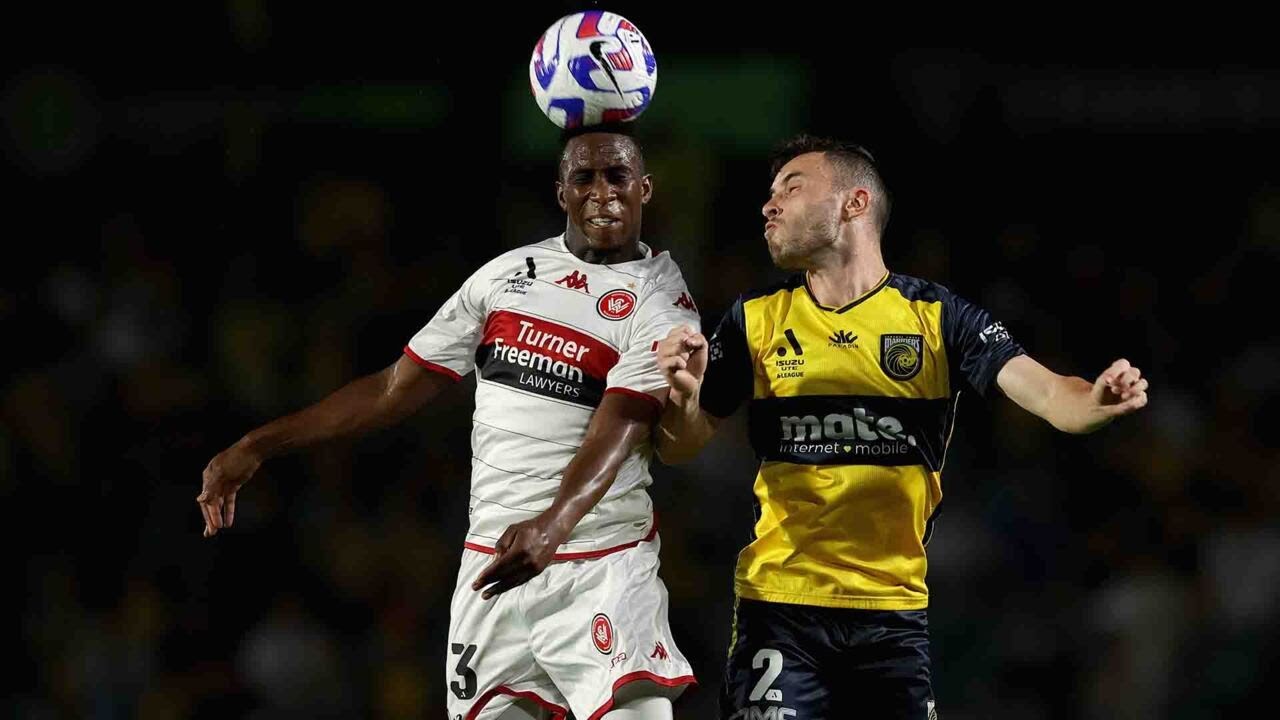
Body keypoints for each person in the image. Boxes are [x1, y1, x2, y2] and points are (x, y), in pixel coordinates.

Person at [198, 126, 699, 720]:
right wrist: (258, 444)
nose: (602, 192)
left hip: (602, 565)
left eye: (617, 177)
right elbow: (392, 388)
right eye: (584, 177)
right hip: (495, 566)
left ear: (644, 189)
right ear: (561, 191)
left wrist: (552, 525)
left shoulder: (661, 301)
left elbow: (619, 426)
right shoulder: (505, 277)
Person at [654, 134, 1150, 719]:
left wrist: (1093, 400)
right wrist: (683, 401)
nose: (769, 205)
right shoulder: (754, 320)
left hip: (891, 618)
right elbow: (680, 447)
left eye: (792, 188)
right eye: (769, 194)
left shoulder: (939, 318)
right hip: (780, 610)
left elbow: (1048, 394)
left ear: (854, 203)